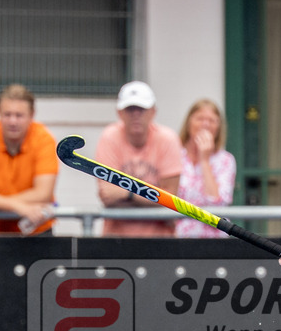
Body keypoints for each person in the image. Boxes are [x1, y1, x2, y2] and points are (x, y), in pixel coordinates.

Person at [0, 84, 58, 235]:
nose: (12, 121)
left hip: (37, 230)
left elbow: (43, 192)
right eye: (7, 115)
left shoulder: (44, 139)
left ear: (32, 115)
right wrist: (17, 206)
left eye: (19, 115)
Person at [96, 81, 183, 237]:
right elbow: (107, 196)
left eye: (141, 109)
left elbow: (170, 200)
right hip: (116, 239)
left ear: (153, 112)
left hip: (160, 240)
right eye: (130, 109)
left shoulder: (167, 139)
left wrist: (126, 194)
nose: (136, 115)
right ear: (120, 113)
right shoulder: (109, 137)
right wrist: (154, 197)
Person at [174, 99, 236, 238]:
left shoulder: (226, 160)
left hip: (214, 239)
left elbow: (217, 203)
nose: (205, 124)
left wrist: (204, 160)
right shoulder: (174, 155)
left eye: (212, 120)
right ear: (189, 122)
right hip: (178, 237)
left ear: (219, 127)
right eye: (200, 119)